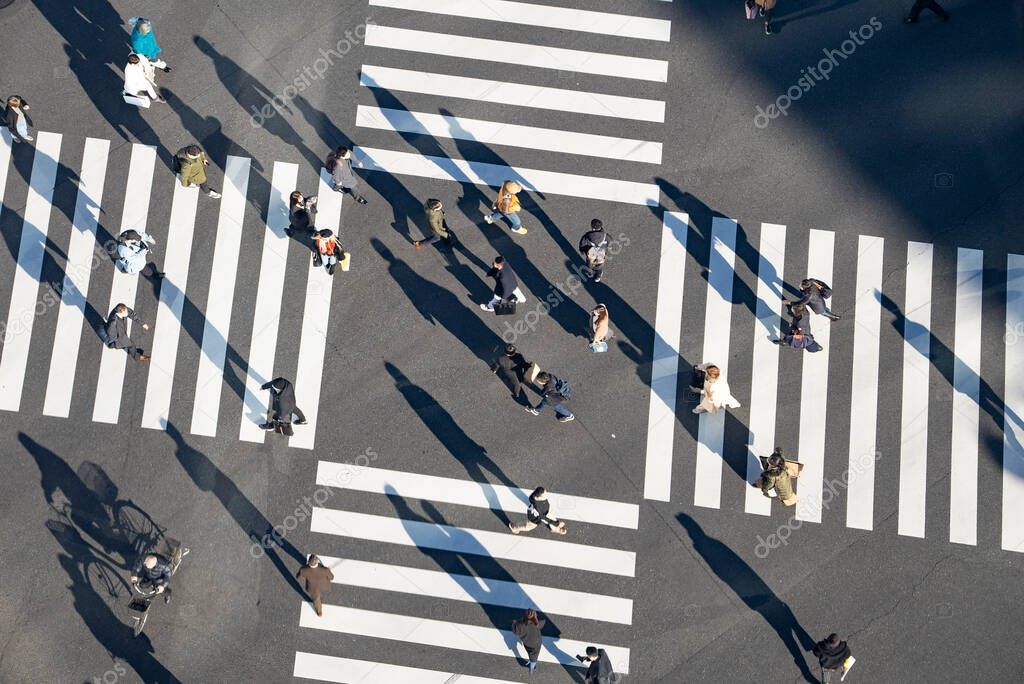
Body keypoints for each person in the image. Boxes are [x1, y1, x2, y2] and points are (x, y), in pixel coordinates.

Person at [511, 609, 545, 673]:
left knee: (529, 651)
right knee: (534, 655)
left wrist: (514, 623)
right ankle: (532, 667)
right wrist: (536, 617)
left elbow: (515, 631)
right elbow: (543, 620)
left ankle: (531, 663)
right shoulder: (538, 623)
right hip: (536, 643)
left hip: (526, 642)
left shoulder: (520, 625)